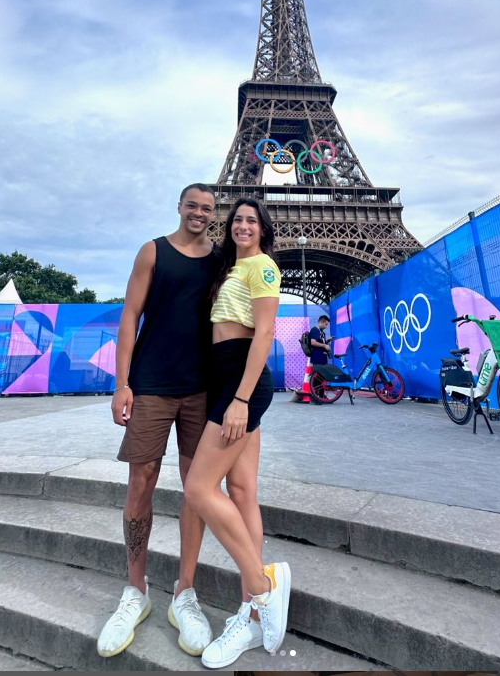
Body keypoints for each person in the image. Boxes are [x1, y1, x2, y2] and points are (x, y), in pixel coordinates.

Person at [97, 183, 220, 659]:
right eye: (192, 205)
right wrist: (121, 382)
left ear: (214, 214)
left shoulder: (221, 260)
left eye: (207, 208)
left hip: (202, 387)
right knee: (141, 481)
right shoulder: (152, 252)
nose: (199, 213)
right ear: (179, 207)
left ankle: (184, 592)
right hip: (150, 384)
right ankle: (136, 591)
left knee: (197, 488)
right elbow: (129, 317)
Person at [183, 197, 291, 669]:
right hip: (227, 376)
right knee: (242, 490)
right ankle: (249, 611)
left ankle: (262, 588)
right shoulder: (234, 268)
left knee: (199, 488)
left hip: (241, 384)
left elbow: (264, 333)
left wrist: (241, 400)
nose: (243, 225)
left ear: (263, 230)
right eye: (238, 220)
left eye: (252, 220)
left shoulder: (263, 267)